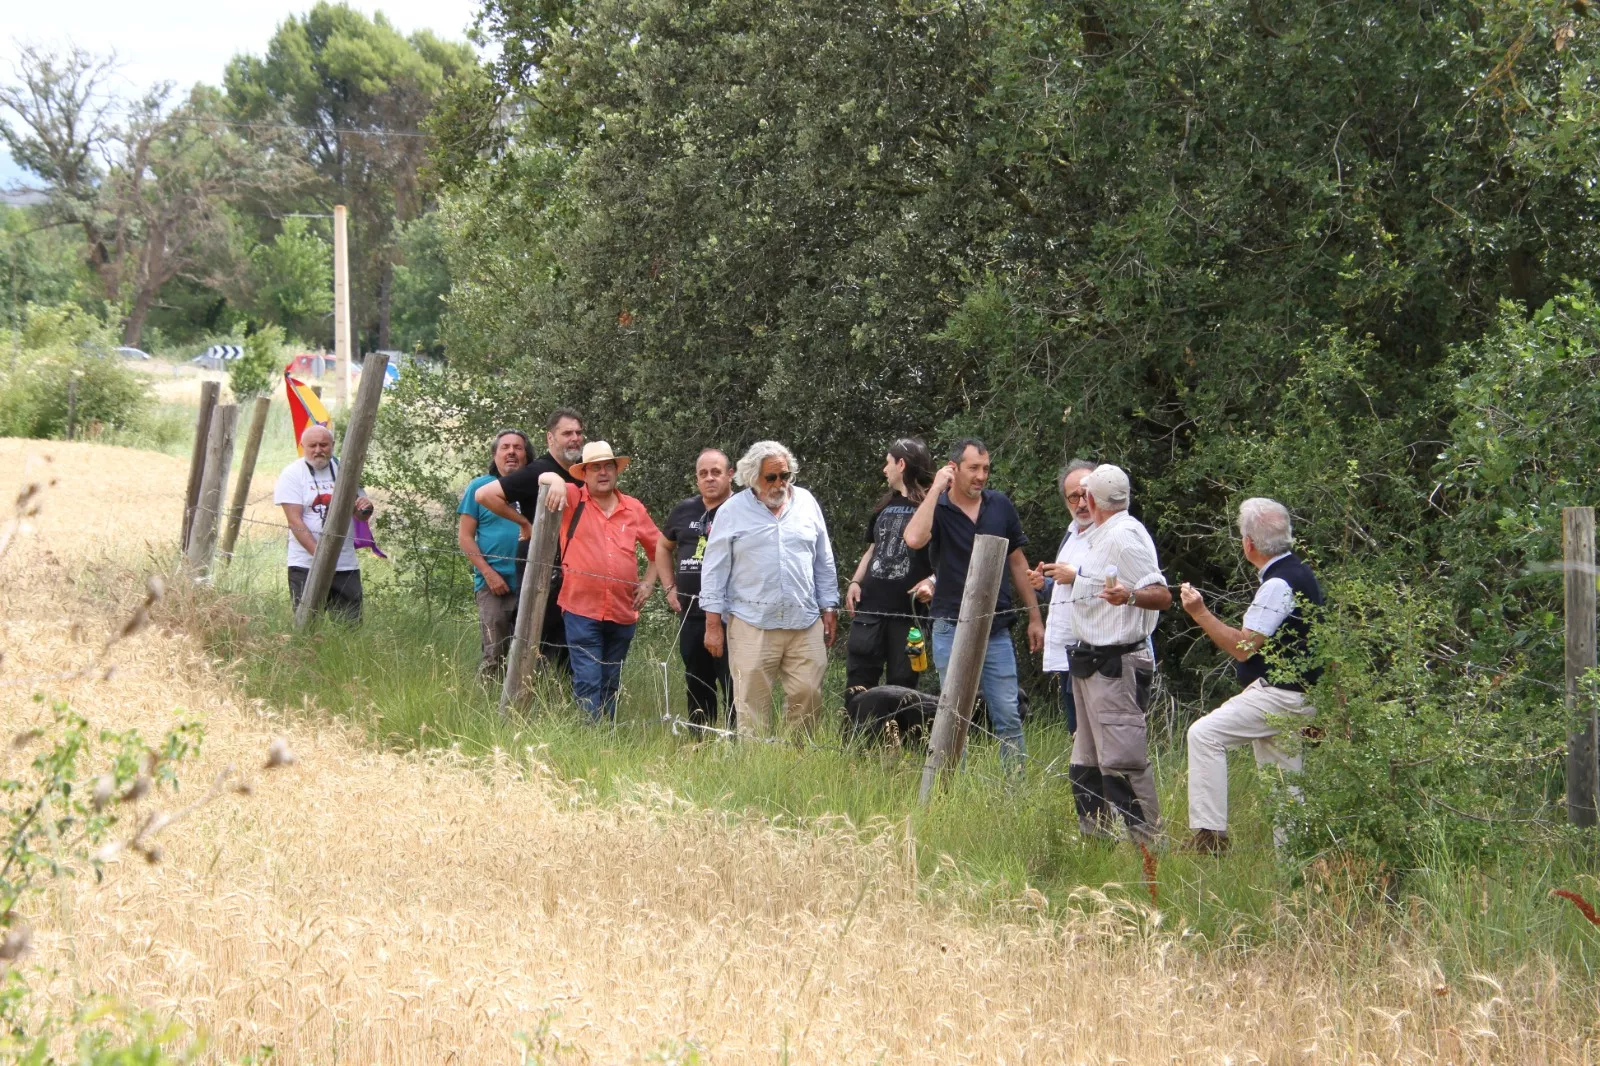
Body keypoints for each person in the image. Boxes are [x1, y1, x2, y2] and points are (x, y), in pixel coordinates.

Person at [1180, 498, 1325, 854]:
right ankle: (1295, 869)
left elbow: (1245, 647)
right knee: (1283, 787)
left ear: (1249, 544)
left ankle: (1209, 836)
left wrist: (1199, 613)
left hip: (1281, 695)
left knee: (1203, 735)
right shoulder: (1300, 573)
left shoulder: (1278, 584)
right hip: (1298, 695)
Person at [902, 439, 1044, 771]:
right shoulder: (938, 507)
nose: (981, 476)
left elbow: (1017, 563)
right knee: (953, 716)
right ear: (954, 469)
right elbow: (914, 539)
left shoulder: (1000, 506)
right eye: (973, 469)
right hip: (950, 626)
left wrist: (1035, 617)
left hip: (995, 628)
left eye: (986, 469)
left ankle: (1014, 793)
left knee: (1008, 714)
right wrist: (937, 488)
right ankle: (951, 791)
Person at [1058, 464, 1172, 843]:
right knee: (1085, 765)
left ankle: (1149, 851)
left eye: (1083, 494)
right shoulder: (1098, 534)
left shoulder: (1124, 536)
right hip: (1089, 663)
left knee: (1122, 764)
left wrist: (1131, 596)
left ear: (1093, 498)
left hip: (1117, 665)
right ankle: (1096, 846)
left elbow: (1162, 594)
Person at [700, 441, 839, 738]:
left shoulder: (806, 502)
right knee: (751, 705)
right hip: (752, 623)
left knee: (809, 694)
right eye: (771, 478)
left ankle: (796, 761)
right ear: (753, 478)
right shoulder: (732, 511)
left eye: (785, 476)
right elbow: (714, 569)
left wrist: (829, 607)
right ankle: (757, 766)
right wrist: (713, 624)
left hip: (804, 622)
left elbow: (823, 559)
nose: (779, 484)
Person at [535, 441, 662, 722]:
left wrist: (649, 583)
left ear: (616, 470)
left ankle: (606, 735)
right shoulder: (571, 498)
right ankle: (592, 736)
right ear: (584, 474)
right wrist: (555, 479)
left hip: (622, 611)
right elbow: (542, 477)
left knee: (610, 681)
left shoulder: (633, 508)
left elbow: (659, 550)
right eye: (595, 467)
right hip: (581, 609)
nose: (603, 473)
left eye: (608, 466)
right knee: (588, 679)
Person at [475, 408, 585, 671]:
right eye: (567, 433)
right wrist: (525, 523)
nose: (574, 438)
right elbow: (485, 495)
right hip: (540, 569)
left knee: (567, 643)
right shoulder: (540, 469)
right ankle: (527, 698)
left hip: (571, 570)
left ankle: (560, 698)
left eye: (579, 433)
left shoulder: (579, 472)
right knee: (538, 639)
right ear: (550, 438)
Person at [843, 438, 935, 691]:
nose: (885, 469)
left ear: (901, 464)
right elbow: (872, 549)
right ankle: (856, 731)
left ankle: (900, 732)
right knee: (858, 679)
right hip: (870, 610)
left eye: (888, 463)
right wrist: (855, 581)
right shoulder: (884, 505)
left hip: (908, 614)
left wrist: (933, 583)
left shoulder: (931, 507)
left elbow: (944, 557)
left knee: (903, 686)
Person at [657, 448, 736, 729]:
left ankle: (736, 744)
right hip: (690, 614)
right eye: (703, 474)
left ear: (731, 475)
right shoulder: (684, 510)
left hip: (731, 616)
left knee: (734, 684)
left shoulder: (742, 509)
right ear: (696, 479)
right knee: (696, 680)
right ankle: (699, 743)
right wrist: (669, 587)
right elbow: (663, 547)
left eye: (716, 472)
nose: (709, 478)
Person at [274, 424, 373, 621]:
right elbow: (295, 521)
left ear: (333, 445)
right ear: (302, 446)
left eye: (323, 445)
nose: (318, 450)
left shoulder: (347, 470)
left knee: (350, 626)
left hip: (345, 564)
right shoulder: (292, 474)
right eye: (312, 446)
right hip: (306, 564)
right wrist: (321, 557)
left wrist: (366, 507)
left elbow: (361, 515)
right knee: (308, 624)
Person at [1029, 459, 1098, 733]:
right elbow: (1066, 591)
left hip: (1098, 654)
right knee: (1077, 734)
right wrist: (1043, 585)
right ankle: (1082, 777)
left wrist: (1077, 578)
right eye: (1073, 496)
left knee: (1098, 734)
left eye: (1087, 494)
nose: (1081, 503)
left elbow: (1123, 590)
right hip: (1070, 652)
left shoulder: (1113, 534)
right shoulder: (1071, 535)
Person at [457, 429, 532, 679]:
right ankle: (486, 709)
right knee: (494, 655)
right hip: (494, 586)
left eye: (518, 448)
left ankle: (525, 708)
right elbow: (465, 537)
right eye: (505, 447)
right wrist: (488, 574)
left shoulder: (535, 488)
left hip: (532, 585)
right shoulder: (479, 487)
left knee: (530, 655)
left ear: (526, 455)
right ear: (495, 454)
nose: (512, 452)